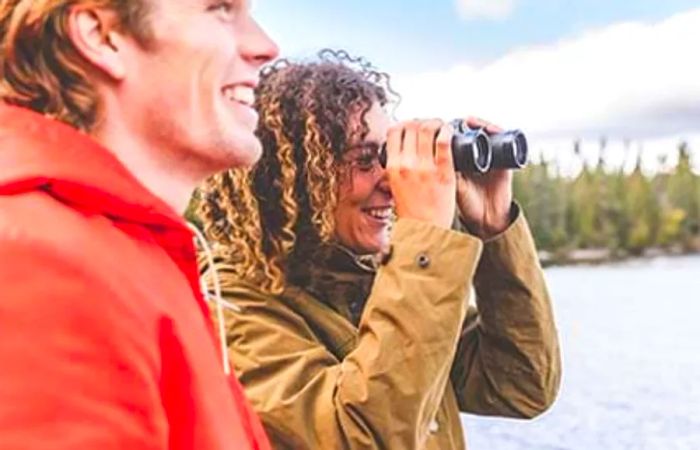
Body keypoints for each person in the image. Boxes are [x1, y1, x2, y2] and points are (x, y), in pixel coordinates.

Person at [197, 50, 561, 449]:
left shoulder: (373, 285)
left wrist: (493, 227)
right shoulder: (229, 307)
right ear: (294, 178)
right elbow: (358, 437)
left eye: (390, 155)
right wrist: (422, 237)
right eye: (366, 159)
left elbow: (520, 383)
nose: (393, 181)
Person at [0, 1, 278, 449]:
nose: (267, 46)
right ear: (101, 36)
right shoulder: (42, 261)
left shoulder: (132, 253)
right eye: (220, 9)